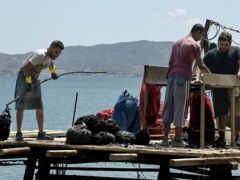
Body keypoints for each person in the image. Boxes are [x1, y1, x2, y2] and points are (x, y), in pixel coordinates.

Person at [162, 24, 210, 147]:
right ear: (198, 32)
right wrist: (211, 75)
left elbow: (170, 62)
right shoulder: (194, 45)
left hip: (171, 76)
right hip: (183, 78)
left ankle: (165, 139)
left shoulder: (177, 42)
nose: (201, 38)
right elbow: (200, 65)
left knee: (169, 106)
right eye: (201, 35)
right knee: (180, 108)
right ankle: (177, 139)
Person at [14, 40, 64, 141]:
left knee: (39, 106)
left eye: (59, 53)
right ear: (50, 48)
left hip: (35, 80)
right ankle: (18, 134)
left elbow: (50, 64)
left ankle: (41, 134)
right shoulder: (40, 54)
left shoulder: (49, 57)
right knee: (21, 106)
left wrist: (53, 73)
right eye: (56, 52)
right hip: (24, 77)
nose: (57, 55)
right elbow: (26, 67)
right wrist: (28, 83)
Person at [203, 31, 240, 147]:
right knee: (221, 112)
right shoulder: (211, 54)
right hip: (218, 86)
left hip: (234, 85)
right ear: (218, 43)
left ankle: (237, 137)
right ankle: (221, 137)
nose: (223, 47)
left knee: (237, 112)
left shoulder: (236, 51)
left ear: (230, 44)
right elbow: (201, 66)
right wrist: (198, 77)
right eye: (221, 44)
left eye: (226, 45)